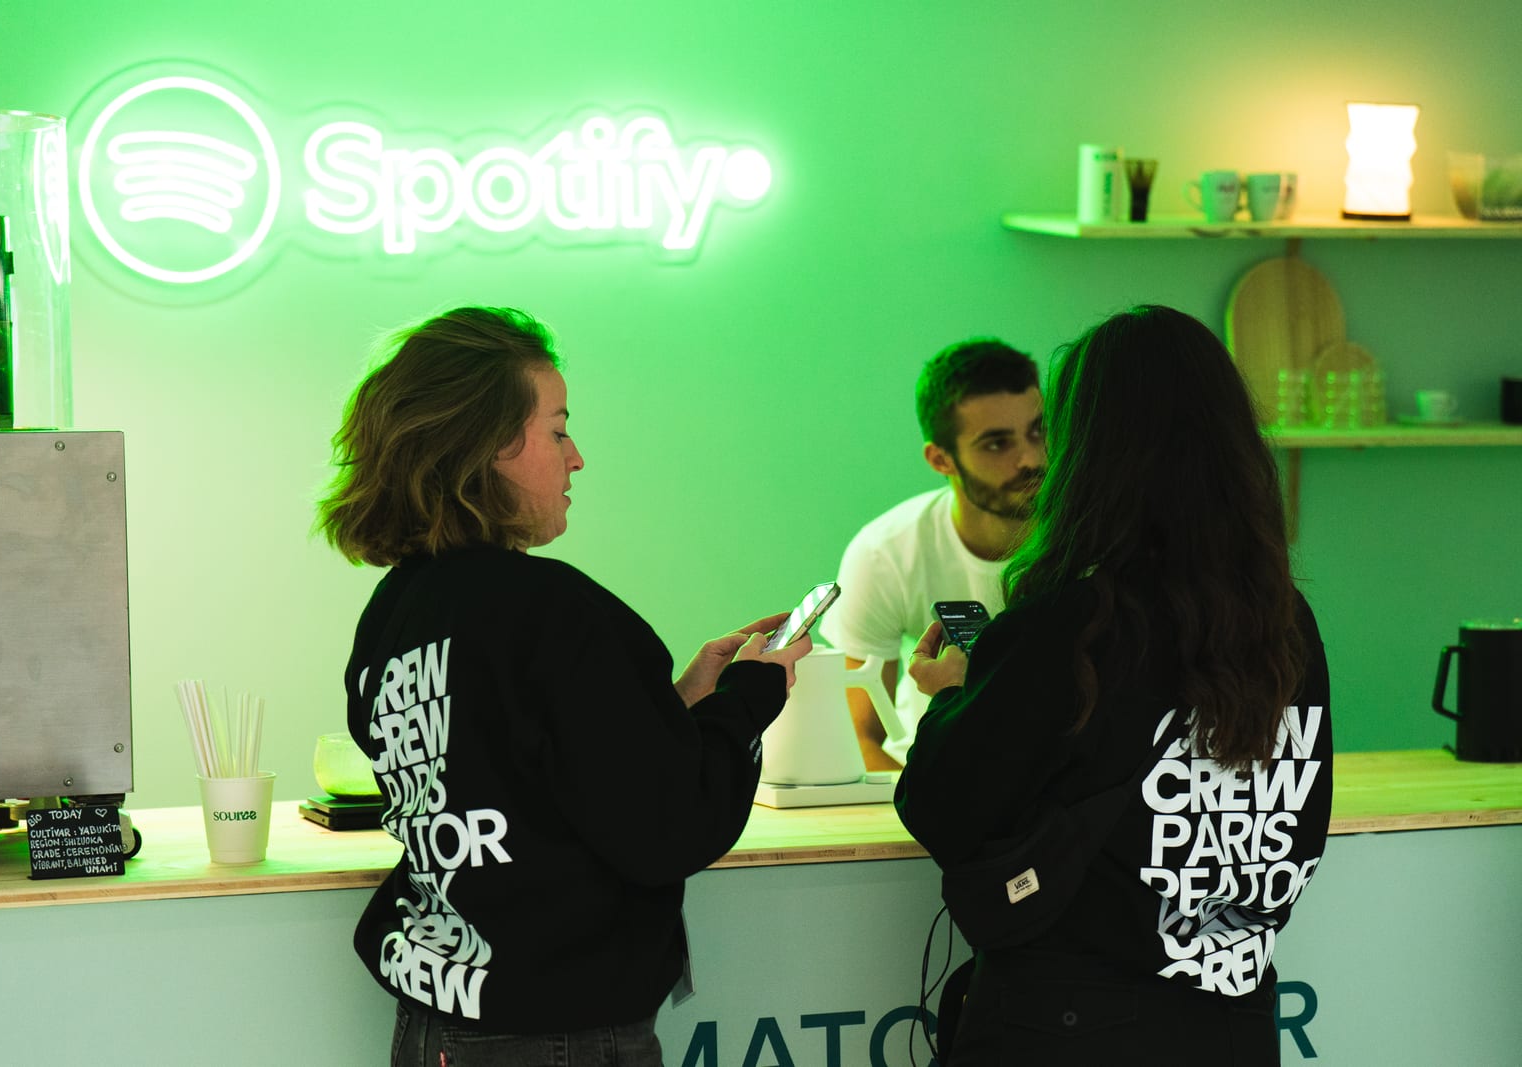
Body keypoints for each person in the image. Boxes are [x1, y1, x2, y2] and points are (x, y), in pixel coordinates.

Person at [315, 305, 811, 1066]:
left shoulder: (397, 611)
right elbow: (670, 827)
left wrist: (673, 705)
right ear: (488, 444)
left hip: (438, 1023)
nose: (577, 457)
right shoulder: (551, 611)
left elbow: (518, 770)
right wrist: (749, 697)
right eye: (557, 430)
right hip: (556, 1035)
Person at [897, 304, 1333, 1065]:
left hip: (1071, 1025)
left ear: (1090, 453)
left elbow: (941, 805)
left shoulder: (1072, 622)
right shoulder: (1286, 622)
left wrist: (955, 699)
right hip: (1235, 1023)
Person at [819, 339, 1044, 769]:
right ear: (941, 459)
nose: (1030, 459)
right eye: (997, 444)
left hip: (1065, 793)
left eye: (1038, 431)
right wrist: (929, 803)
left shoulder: (1095, 539)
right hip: (930, 779)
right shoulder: (887, 553)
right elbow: (858, 739)